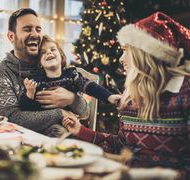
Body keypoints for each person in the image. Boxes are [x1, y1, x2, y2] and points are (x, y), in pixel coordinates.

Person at [63, 12, 190, 178]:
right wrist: (81, 130)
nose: (121, 59)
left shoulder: (185, 93)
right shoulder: (130, 98)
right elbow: (122, 147)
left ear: (146, 55)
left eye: (125, 51)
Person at [0, 8, 87, 136]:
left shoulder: (51, 65)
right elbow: (9, 119)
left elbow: (84, 112)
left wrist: (72, 99)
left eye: (38, 29)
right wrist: (59, 114)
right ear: (11, 36)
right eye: (27, 29)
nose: (35, 34)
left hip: (64, 143)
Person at [21, 35, 121, 113]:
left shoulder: (72, 75)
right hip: (47, 127)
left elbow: (90, 86)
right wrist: (29, 95)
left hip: (71, 126)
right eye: (43, 52)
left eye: (52, 49)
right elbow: (27, 110)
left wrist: (109, 97)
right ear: (39, 63)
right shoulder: (36, 82)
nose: (49, 53)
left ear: (61, 55)